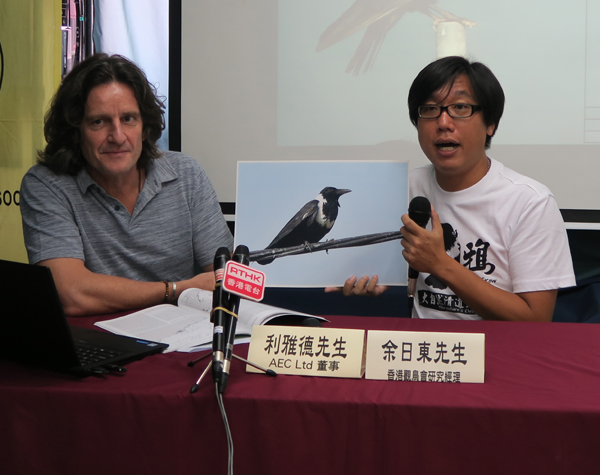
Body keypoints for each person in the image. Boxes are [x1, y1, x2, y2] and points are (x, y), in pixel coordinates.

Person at [332, 56, 575, 321]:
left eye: (460, 107)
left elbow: (536, 319)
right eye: (430, 109)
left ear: (490, 124)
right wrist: (374, 279)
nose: (444, 123)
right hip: (421, 345)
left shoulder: (530, 202)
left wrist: (442, 265)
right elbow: (387, 267)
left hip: (496, 347)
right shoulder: (406, 188)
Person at [20, 53, 233, 317]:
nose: (118, 136)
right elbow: (71, 294)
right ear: (75, 131)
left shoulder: (186, 174)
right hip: (97, 339)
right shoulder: (47, 184)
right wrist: (176, 290)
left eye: (128, 119)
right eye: (99, 122)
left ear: (145, 127)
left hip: (184, 336)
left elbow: (224, 279)